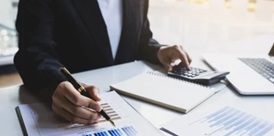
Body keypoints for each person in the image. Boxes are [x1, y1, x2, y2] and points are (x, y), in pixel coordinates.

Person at [14, 0, 192, 124]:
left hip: (133, 110)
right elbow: (33, 52)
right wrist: (55, 84)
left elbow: (140, 37)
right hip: (75, 115)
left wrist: (158, 51)